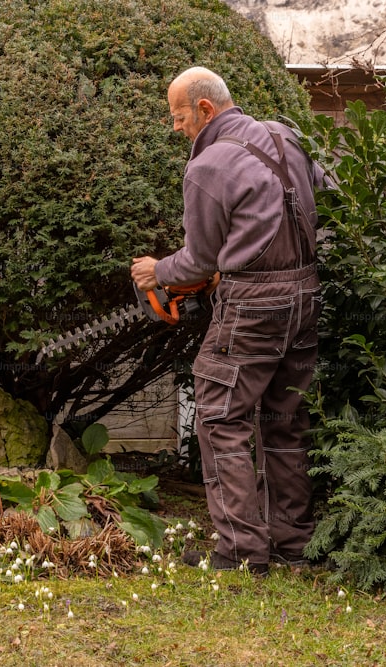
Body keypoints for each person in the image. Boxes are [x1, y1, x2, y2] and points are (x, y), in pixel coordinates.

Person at [131, 66, 325, 576]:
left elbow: (197, 262)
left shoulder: (209, 166)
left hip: (254, 307)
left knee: (220, 415)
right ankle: (292, 543)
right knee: (285, 419)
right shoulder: (286, 138)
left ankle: (240, 552)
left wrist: (158, 272)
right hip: (306, 296)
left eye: (177, 117)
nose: (174, 128)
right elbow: (316, 200)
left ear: (204, 110)